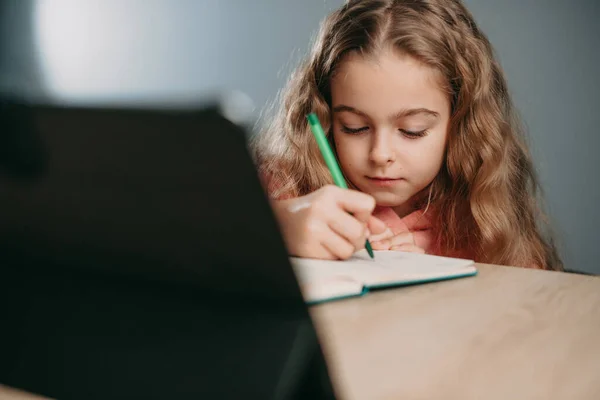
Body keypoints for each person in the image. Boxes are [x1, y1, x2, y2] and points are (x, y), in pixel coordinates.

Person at [250, 0, 562, 271]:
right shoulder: (288, 188)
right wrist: (278, 229)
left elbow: (527, 309)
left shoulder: (486, 219)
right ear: (326, 115)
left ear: (460, 122)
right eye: (354, 127)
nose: (380, 154)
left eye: (412, 131)